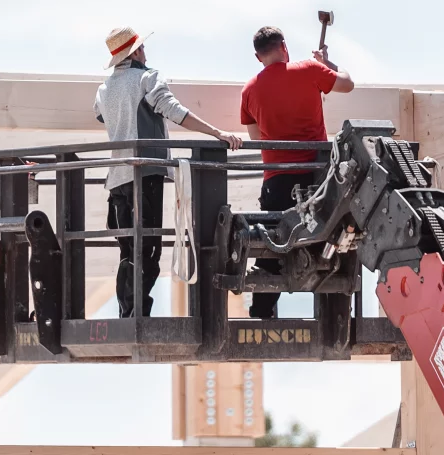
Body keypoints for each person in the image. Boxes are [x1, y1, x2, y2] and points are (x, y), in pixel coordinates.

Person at [94, 26, 242, 317]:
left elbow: (100, 114)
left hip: (117, 180)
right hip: (145, 175)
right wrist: (217, 133)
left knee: (128, 250)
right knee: (149, 250)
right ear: (136, 52)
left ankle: (128, 312)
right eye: (142, 48)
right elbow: (174, 111)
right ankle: (137, 314)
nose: (145, 53)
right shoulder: (147, 78)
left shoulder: (104, 89)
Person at [239, 25, 355, 318]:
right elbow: (348, 83)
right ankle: (334, 315)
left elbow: (256, 138)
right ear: (284, 46)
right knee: (329, 240)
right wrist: (326, 63)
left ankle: (262, 311)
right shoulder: (310, 70)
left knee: (273, 245)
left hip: (277, 181)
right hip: (318, 181)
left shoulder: (250, 90)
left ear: (258, 57)